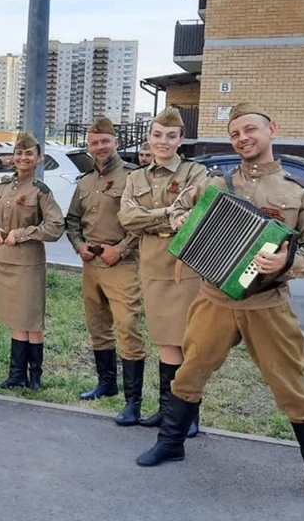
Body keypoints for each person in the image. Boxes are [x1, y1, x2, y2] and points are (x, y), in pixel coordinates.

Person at [135, 103, 304, 517]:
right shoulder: (215, 182)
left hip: (267, 304)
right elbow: (180, 209)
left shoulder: (298, 192)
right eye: (235, 134)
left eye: (250, 130)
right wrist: (182, 221)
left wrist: (288, 263)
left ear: (271, 129)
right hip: (213, 299)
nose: (243, 139)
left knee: (292, 387)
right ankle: (171, 443)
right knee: (190, 372)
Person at [118, 108, 207, 434]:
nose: (163, 142)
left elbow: (199, 212)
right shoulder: (136, 177)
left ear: (181, 140)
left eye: (171, 136)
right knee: (165, 342)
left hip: (185, 268)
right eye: (157, 135)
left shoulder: (195, 173)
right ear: (149, 137)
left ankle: (189, 416)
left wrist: (151, 218)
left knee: (188, 343)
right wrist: (170, 215)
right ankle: (168, 411)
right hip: (153, 267)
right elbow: (126, 218)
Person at [65, 118, 144, 420]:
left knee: (127, 329)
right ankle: (106, 383)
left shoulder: (134, 178)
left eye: (105, 142)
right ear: (89, 146)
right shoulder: (85, 182)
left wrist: (121, 249)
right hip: (91, 263)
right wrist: (79, 245)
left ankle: (133, 402)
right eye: (94, 143)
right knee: (97, 326)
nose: (99, 148)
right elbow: (72, 221)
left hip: (121, 263)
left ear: (116, 143)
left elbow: (142, 222)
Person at [0, 132, 64, 390]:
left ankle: (35, 376)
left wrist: (22, 233)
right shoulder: (2, 188)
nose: (23, 158)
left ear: (38, 158)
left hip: (28, 262)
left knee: (31, 319)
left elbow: (55, 226)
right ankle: (16, 374)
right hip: (5, 262)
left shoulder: (40, 191)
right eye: (19, 153)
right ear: (12, 157)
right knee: (16, 318)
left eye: (29, 153)